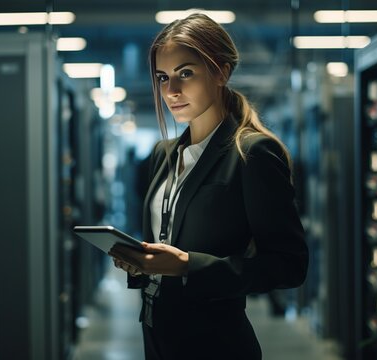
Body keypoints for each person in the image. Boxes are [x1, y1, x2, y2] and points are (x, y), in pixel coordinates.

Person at [108, 13, 308, 360]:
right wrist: (142, 262)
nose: (171, 91)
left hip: (216, 344)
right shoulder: (163, 154)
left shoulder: (252, 153)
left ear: (221, 72)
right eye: (162, 77)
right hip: (157, 337)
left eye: (186, 73)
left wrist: (189, 265)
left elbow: (289, 265)